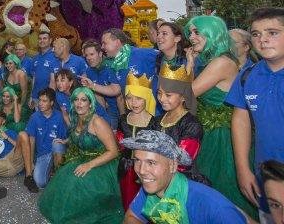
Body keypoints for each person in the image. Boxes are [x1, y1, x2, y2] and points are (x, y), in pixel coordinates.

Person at [185, 15, 257, 218]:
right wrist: (191, 63)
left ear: (213, 33)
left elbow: (185, 95)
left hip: (221, 139)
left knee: (224, 196)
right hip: (210, 133)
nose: (191, 37)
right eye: (190, 32)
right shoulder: (214, 61)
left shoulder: (221, 62)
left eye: (197, 32)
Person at [226, 8, 284, 223]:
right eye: (257, 34)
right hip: (265, 178)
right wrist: (242, 168)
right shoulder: (248, 75)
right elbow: (240, 119)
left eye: (272, 33)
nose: (263, 40)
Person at [122, 130, 249, 224]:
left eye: (151, 162)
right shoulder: (152, 187)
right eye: (137, 161)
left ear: (173, 165)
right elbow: (131, 218)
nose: (142, 170)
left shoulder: (212, 205)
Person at [38, 87, 123, 223]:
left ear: (90, 103)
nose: (79, 103)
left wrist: (89, 165)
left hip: (102, 162)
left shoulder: (98, 122)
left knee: (78, 183)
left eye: (83, 100)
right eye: (76, 100)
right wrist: (65, 140)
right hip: (83, 157)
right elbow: (79, 136)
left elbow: (113, 152)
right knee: (65, 179)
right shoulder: (77, 117)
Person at [154, 62, 207, 183]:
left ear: (183, 96)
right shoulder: (157, 120)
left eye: (168, 95)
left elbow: (183, 161)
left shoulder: (191, 125)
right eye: (159, 93)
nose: (162, 99)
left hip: (180, 181)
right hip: (157, 176)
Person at [116, 72, 156, 211]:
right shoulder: (122, 120)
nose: (133, 103)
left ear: (146, 98)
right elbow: (120, 144)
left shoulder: (154, 122)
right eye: (129, 98)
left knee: (147, 203)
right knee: (129, 202)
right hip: (127, 169)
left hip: (148, 170)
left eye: (138, 98)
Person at [19, 88, 67, 192]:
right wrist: (31, 162)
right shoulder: (34, 117)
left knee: (57, 145)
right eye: (40, 100)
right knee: (40, 183)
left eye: (44, 101)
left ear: (52, 103)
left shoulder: (59, 116)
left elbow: (64, 139)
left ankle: (59, 176)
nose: (40, 103)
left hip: (56, 151)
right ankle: (49, 173)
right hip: (43, 154)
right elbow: (31, 140)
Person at [102, 28, 158, 115]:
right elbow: (115, 89)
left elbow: (168, 57)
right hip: (135, 114)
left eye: (104, 43)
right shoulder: (114, 65)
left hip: (156, 113)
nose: (102, 47)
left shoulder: (142, 54)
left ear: (117, 42)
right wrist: (92, 85)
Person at [79, 40, 121, 129]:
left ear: (100, 54)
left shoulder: (111, 67)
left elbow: (119, 95)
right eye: (86, 55)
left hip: (117, 110)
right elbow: (96, 93)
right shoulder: (89, 71)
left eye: (92, 54)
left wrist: (123, 116)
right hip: (102, 111)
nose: (89, 58)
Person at [30, 32, 58, 110]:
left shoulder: (55, 56)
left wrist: (49, 98)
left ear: (50, 40)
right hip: (36, 96)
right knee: (39, 120)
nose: (42, 40)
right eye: (40, 38)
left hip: (47, 98)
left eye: (45, 38)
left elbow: (54, 80)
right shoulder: (35, 58)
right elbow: (34, 78)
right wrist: (31, 96)